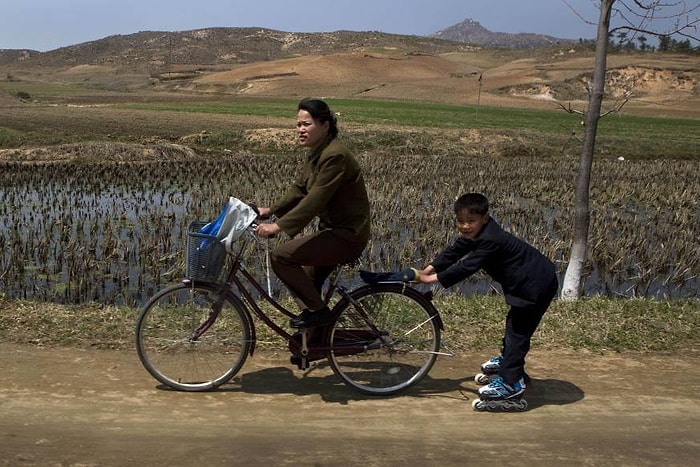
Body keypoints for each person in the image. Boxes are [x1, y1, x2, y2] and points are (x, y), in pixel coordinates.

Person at [416, 193, 558, 401]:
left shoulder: (491, 239)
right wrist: (426, 270)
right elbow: (454, 252)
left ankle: (512, 383)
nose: (465, 226)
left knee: (518, 331)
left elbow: (468, 266)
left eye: (470, 221)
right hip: (528, 282)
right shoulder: (480, 233)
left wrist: (430, 280)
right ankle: (508, 362)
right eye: (461, 221)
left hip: (535, 285)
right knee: (515, 326)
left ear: (484, 218)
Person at [254, 98, 371, 329]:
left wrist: (278, 226)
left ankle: (320, 316)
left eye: (306, 124)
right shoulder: (318, 152)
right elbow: (299, 190)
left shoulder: (334, 156)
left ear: (325, 125)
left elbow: (316, 199)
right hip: (332, 232)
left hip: (346, 235)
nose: (300, 130)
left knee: (281, 257)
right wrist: (269, 210)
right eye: (298, 125)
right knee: (307, 283)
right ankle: (316, 339)